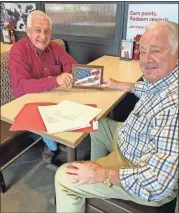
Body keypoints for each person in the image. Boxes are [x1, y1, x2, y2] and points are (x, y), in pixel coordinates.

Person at [55, 20, 178, 212]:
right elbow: (151, 88)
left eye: (156, 51)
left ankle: (89, 181)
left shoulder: (174, 108)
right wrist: (120, 84)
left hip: (139, 170)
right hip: (132, 141)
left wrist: (103, 174)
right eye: (143, 51)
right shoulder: (168, 78)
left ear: (176, 55)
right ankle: (90, 188)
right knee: (96, 124)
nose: (146, 59)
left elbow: (158, 183)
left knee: (64, 177)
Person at [8, 10, 77, 163]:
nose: (43, 36)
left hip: (52, 95)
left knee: (74, 104)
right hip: (27, 101)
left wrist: (68, 74)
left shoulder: (54, 47)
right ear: (28, 31)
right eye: (37, 31)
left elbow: (73, 66)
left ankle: (63, 141)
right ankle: (52, 147)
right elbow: (20, 88)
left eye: (47, 31)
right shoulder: (18, 51)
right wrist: (55, 80)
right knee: (50, 113)